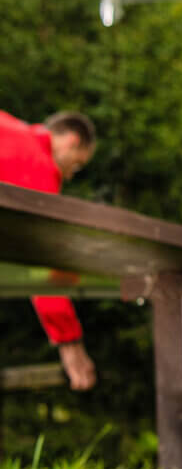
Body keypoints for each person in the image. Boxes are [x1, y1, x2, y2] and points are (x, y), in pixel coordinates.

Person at [0, 110, 97, 391]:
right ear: (71, 140)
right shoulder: (39, 163)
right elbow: (42, 263)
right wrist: (70, 344)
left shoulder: (9, 126)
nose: (68, 175)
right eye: (75, 166)